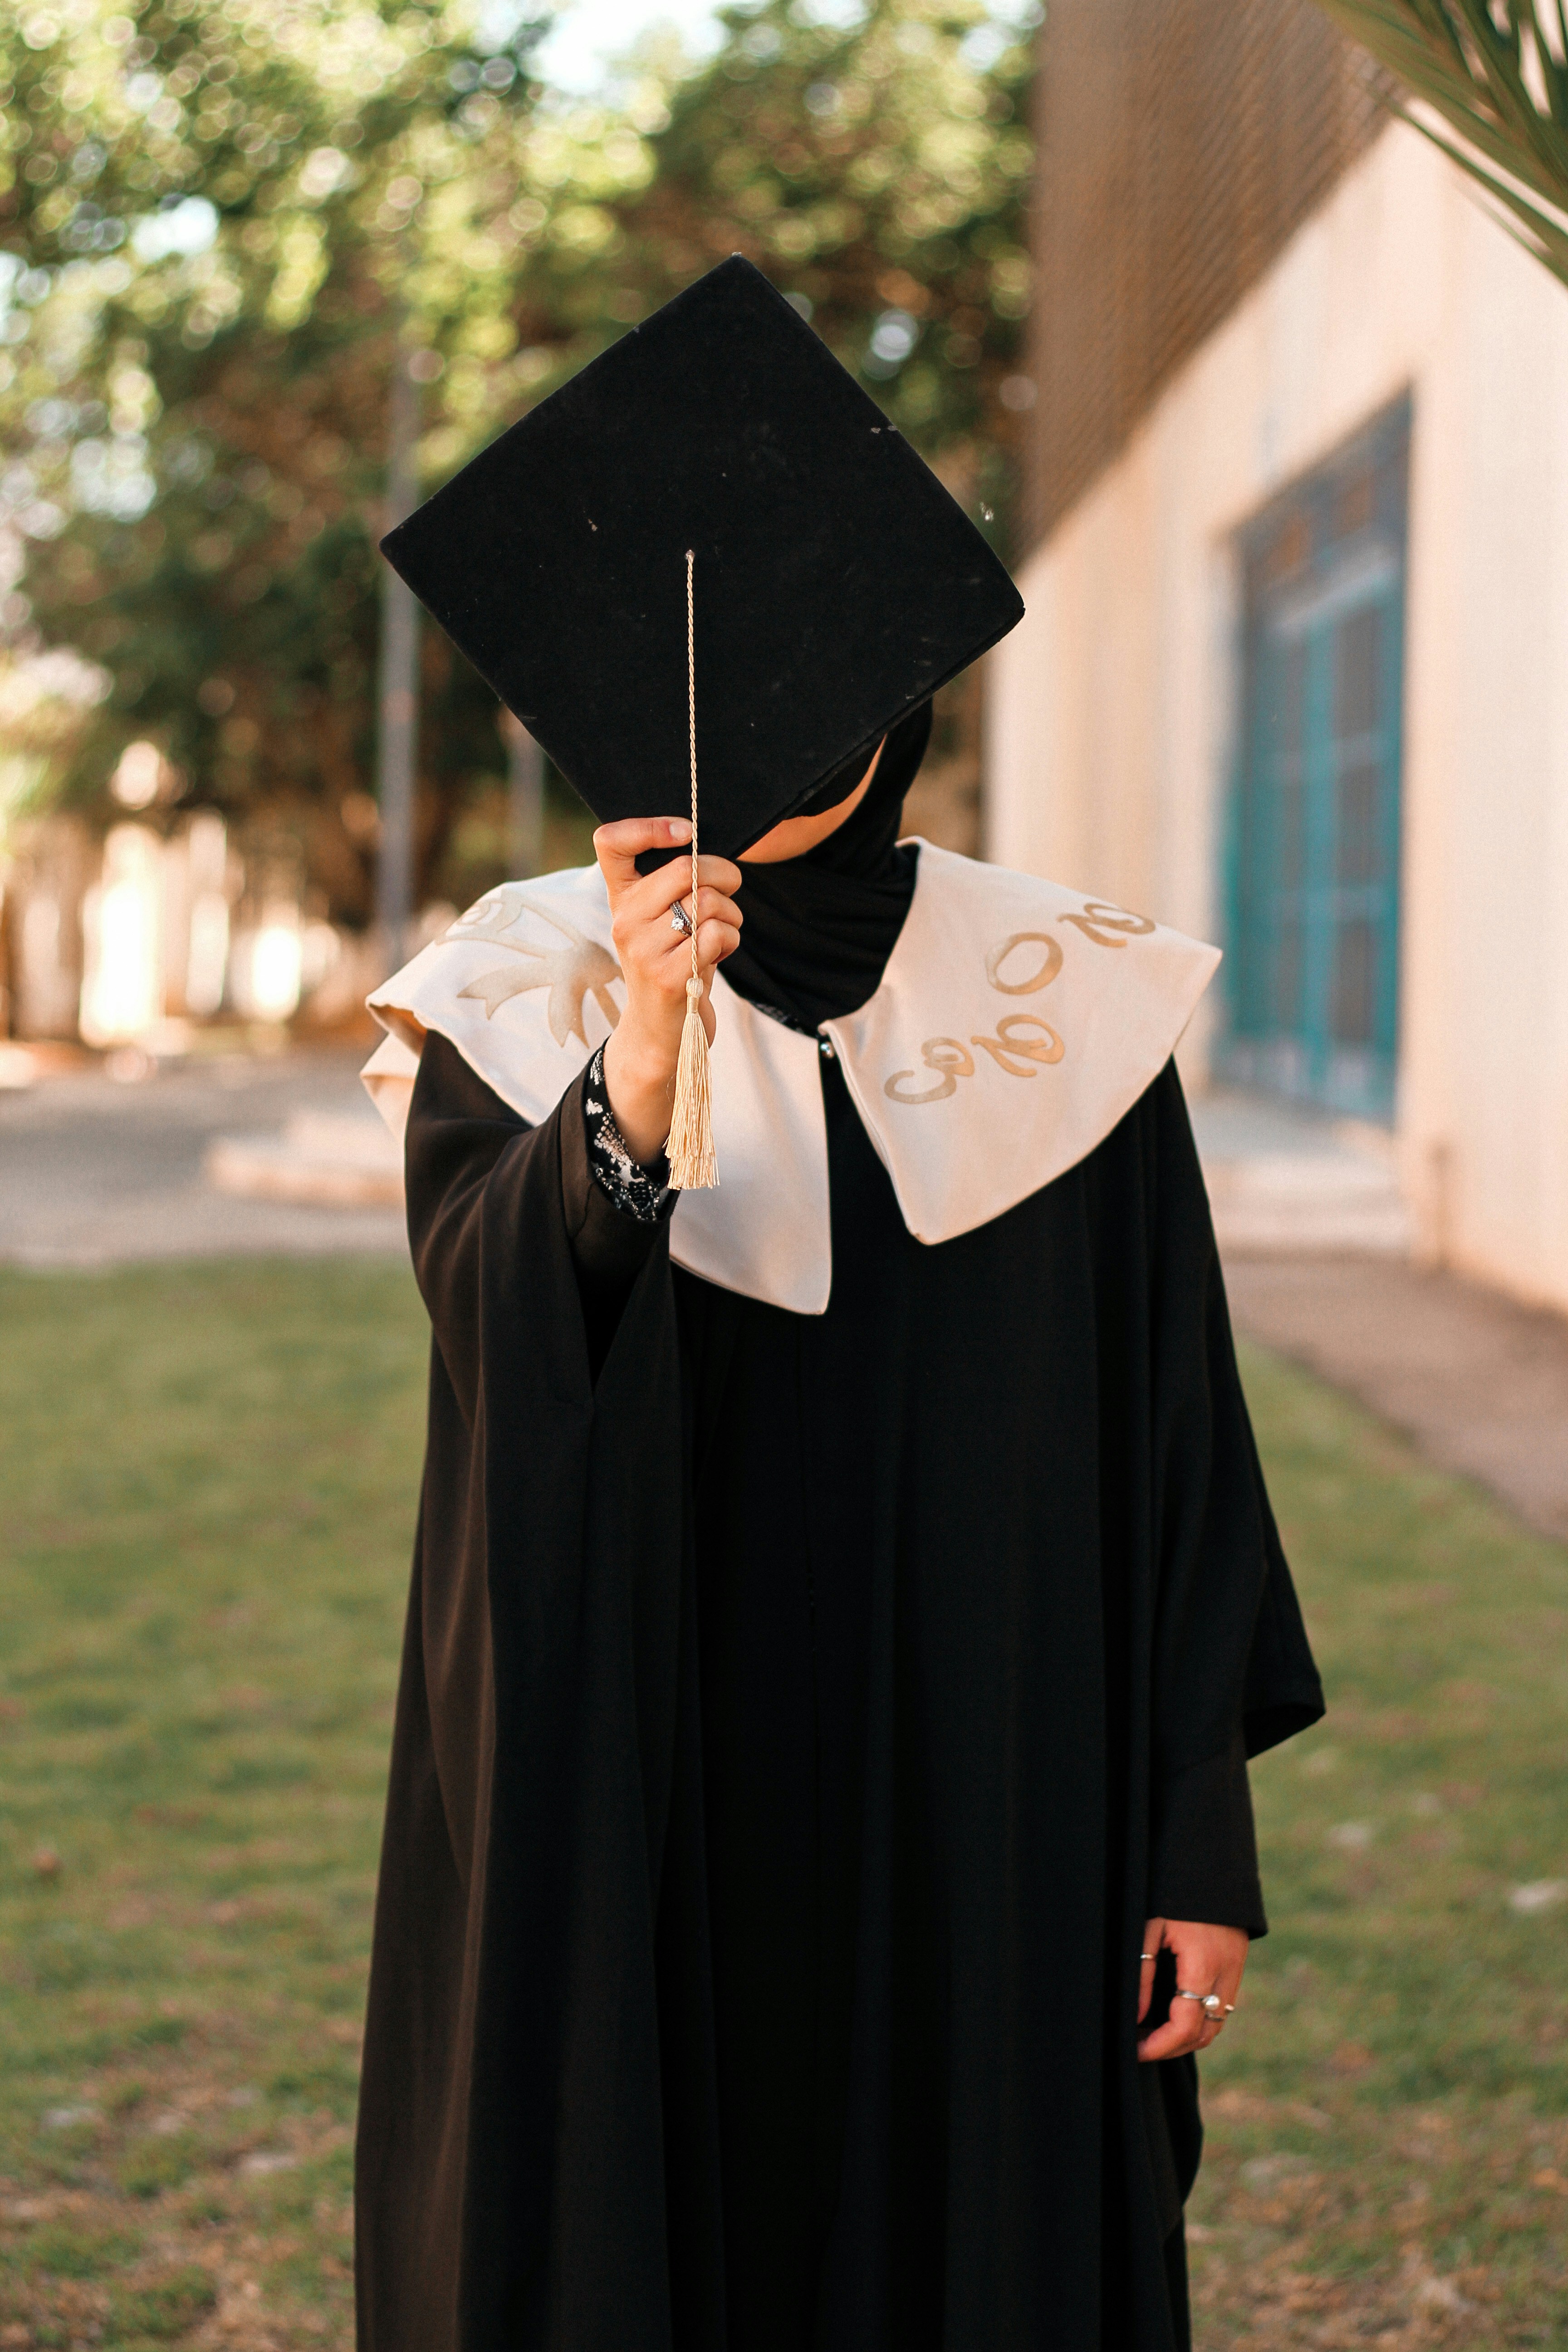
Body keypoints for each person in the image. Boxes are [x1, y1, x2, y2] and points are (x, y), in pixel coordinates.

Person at [352, 257, 1324, 2352]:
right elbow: (503, 1359)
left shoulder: (1071, 1001)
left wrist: (1191, 1836)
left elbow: (1179, 1449)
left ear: (905, 697)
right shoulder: (514, 995)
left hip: (990, 1817)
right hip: (649, 1813)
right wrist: (634, 1062)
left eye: (823, 673)